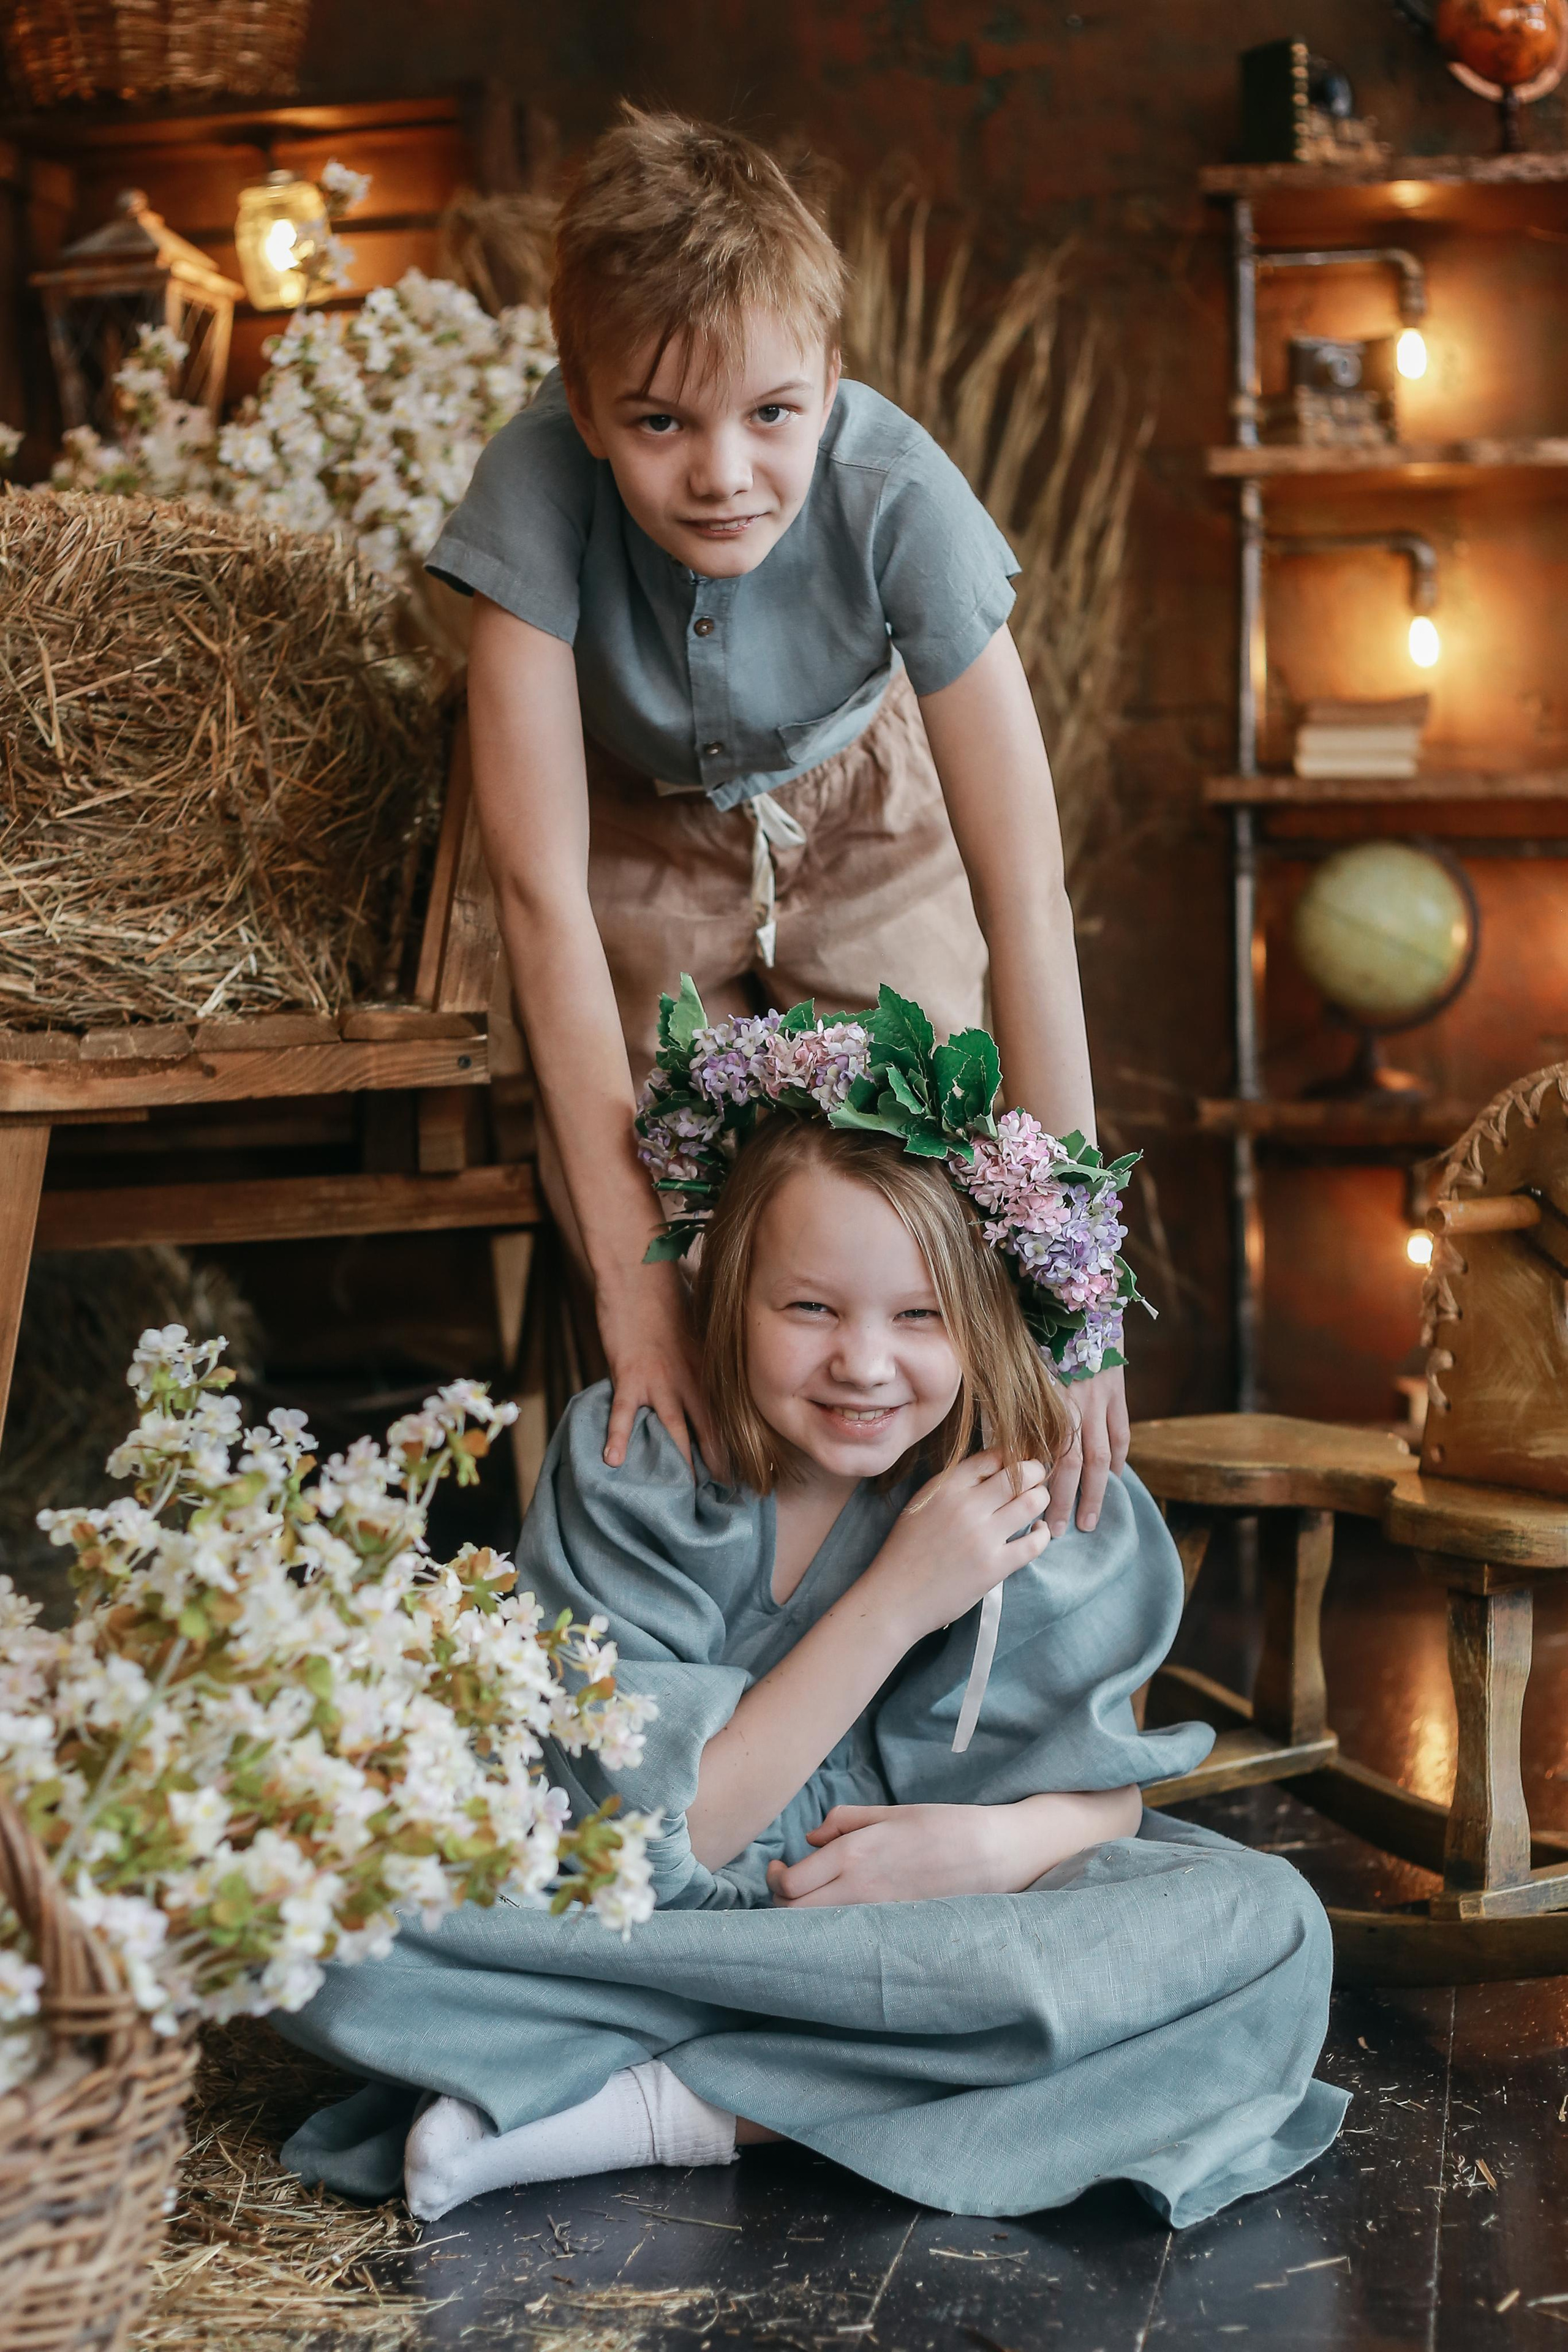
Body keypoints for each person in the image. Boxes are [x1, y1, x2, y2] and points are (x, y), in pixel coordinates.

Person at [277, 986, 1348, 2229]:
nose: (863, 1364)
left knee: (1264, 1926)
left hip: (921, 1933)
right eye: (810, 1309)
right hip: (637, 1936)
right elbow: (656, 1843)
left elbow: (1103, 1795)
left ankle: (651, 2110)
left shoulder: (1023, 1486)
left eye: (918, 1318)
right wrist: (894, 1600)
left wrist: (991, 1849)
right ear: (725, 1290)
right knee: (336, 1930)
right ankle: (821, 2081)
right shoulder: (636, 1463)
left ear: (988, 1314)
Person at [426, 106, 1127, 1537]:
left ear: (829, 377)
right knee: (640, 1198)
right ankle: (692, 1578)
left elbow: (1024, 897)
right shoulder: (533, 490)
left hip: (870, 814)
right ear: (582, 399)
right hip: (629, 822)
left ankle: (948, 1569)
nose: (722, 473)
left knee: (926, 1175)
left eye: (770, 414)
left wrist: (1078, 1298)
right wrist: (637, 1303)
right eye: (658, 422)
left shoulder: (898, 497)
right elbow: (540, 898)